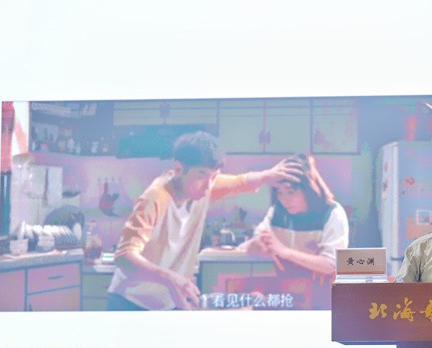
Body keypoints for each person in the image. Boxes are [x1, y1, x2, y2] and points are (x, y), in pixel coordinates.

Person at [107, 131, 303, 310]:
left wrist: (268, 175)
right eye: (202, 176)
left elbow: (240, 181)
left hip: (168, 304)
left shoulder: (202, 186)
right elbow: (124, 256)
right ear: (178, 169)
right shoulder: (155, 198)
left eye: (214, 177)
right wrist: (169, 278)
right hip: (130, 302)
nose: (209, 186)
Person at [242, 153, 349, 309]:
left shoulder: (332, 213)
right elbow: (258, 238)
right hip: (286, 293)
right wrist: (260, 244)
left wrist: (283, 251)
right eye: (280, 193)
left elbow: (332, 264)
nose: (284, 200)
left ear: (309, 188)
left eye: (291, 192)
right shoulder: (277, 211)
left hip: (322, 298)